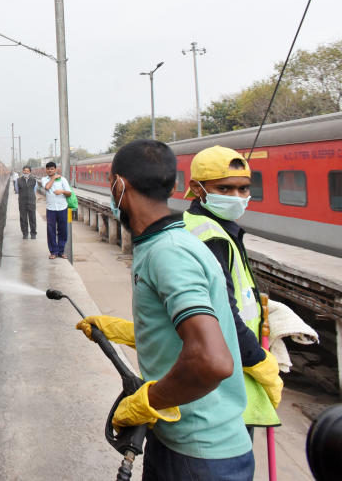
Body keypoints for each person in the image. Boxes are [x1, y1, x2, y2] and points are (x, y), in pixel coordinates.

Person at [76, 140, 254, 480]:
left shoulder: (168, 252)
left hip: (199, 456)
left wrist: (148, 401)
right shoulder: (167, 242)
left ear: (118, 185)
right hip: (185, 445)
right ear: (173, 186)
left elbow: (211, 361)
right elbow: (186, 333)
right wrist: (130, 331)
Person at [183, 146, 283, 432]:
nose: (237, 197)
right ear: (197, 189)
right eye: (224, 188)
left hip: (227, 367)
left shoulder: (213, 227)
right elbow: (223, 314)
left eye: (243, 189)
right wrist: (261, 361)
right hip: (225, 376)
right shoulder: (211, 236)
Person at [40, 161, 70, 259]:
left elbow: (69, 193)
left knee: (63, 231)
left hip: (62, 208)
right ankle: (53, 252)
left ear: (55, 169)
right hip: (51, 209)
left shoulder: (63, 180)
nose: (50, 170)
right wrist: (53, 178)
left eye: (52, 169)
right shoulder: (44, 179)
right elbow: (47, 187)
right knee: (51, 231)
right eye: (48, 169)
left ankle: (61, 251)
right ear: (46, 170)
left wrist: (62, 191)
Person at [17, 166, 38, 239]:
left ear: (30, 172)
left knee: (32, 218)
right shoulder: (19, 180)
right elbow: (17, 190)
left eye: (27, 171)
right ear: (23, 171)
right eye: (24, 171)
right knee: (23, 218)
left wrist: (31, 197)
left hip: (31, 202)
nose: (26, 172)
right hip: (22, 202)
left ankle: (33, 233)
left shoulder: (34, 180)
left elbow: (35, 190)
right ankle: (25, 233)